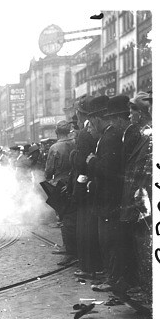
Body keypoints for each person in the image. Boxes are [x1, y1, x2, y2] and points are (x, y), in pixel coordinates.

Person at [85, 95, 126, 293]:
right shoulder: (108, 136)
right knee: (108, 241)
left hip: (109, 199)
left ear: (97, 119)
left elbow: (109, 170)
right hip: (106, 198)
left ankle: (114, 279)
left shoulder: (109, 137)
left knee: (110, 241)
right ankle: (112, 276)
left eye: (91, 120)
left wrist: (92, 161)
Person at [118, 92, 153, 299]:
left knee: (145, 244)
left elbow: (147, 171)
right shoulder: (141, 134)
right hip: (138, 198)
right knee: (139, 244)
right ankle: (144, 287)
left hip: (145, 201)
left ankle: (148, 291)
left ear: (141, 113)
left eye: (133, 111)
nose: (130, 115)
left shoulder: (149, 135)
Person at [70, 96, 102, 280]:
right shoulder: (92, 130)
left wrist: (78, 190)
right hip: (94, 182)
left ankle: (88, 266)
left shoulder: (83, 133)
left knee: (85, 227)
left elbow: (81, 163)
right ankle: (94, 265)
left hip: (85, 185)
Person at [45, 120, 77, 264]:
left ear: (57, 132)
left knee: (64, 218)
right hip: (75, 182)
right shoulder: (75, 143)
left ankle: (69, 250)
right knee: (74, 217)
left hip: (61, 184)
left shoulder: (55, 147)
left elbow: (49, 170)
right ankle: (74, 249)